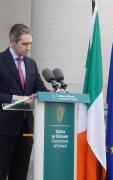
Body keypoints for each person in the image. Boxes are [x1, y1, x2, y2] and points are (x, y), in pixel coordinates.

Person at [0, 24, 47, 180]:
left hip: (26, 128)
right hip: (4, 128)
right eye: (24, 44)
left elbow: (41, 89)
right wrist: (14, 98)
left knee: (20, 174)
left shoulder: (31, 64)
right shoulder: (1, 61)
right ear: (13, 43)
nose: (28, 48)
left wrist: (55, 94)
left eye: (30, 44)